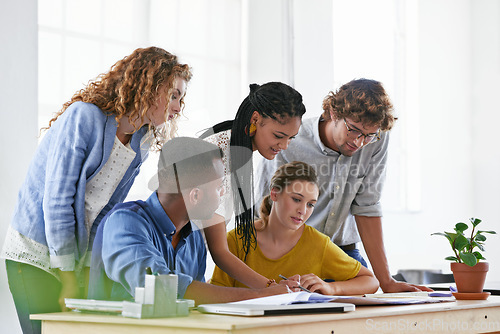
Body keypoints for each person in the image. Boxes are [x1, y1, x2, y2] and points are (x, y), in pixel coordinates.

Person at [1, 46, 192, 334]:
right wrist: (67, 277)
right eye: (174, 95)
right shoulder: (84, 117)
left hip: (71, 259)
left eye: (181, 98)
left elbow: (106, 213)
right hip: (36, 252)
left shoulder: (140, 141)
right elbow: (57, 201)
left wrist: (86, 274)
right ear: (150, 86)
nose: (178, 107)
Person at [255, 78, 432, 293]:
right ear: (333, 113)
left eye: (368, 135)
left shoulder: (376, 139)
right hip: (293, 254)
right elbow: (262, 207)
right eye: (353, 130)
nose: (359, 142)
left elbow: (367, 206)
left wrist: (387, 281)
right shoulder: (290, 141)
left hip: (344, 254)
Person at [88, 137, 297, 305]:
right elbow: (161, 289)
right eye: (218, 187)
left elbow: (195, 302)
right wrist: (261, 295)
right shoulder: (125, 223)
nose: (223, 192)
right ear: (195, 195)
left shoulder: (195, 234)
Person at [211, 161, 379, 295]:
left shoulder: (317, 244)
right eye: (296, 199)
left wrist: (331, 288)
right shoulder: (236, 239)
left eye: (311, 204)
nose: (303, 211)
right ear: (275, 193)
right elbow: (216, 293)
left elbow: (371, 281)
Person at [199, 82, 306, 289]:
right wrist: (270, 288)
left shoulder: (236, 146)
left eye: (290, 139)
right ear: (256, 119)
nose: (284, 146)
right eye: (278, 136)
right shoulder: (219, 154)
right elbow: (219, 251)